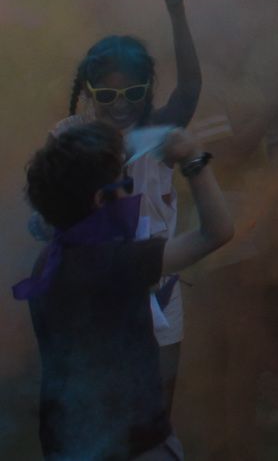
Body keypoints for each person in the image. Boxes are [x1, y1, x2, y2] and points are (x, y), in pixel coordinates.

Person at [15, 119, 233, 461]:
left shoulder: (48, 263)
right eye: (126, 183)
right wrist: (193, 159)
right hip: (134, 446)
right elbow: (216, 232)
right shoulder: (121, 262)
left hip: (68, 442)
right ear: (101, 200)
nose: (130, 191)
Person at [61, 0, 203, 410]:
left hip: (159, 291)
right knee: (104, 413)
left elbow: (189, 90)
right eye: (106, 93)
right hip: (95, 297)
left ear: (147, 91)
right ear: (88, 93)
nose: (120, 103)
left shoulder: (159, 137)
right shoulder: (69, 141)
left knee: (157, 412)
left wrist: (176, 8)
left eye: (134, 92)